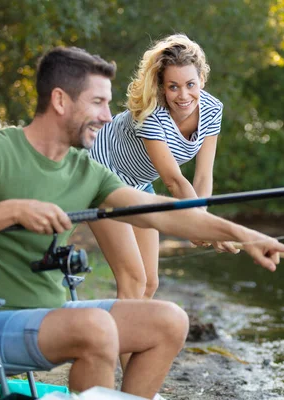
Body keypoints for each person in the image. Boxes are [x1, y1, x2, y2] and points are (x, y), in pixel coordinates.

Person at [0, 46, 284, 399]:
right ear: (60, 100)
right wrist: (14, 210)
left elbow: (157, 208)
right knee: (96, 327)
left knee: (169, 320)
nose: (107, 115)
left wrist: (243, 235)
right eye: (98, 102)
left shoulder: (85, 170)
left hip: (50, 316)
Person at [89, 34, 233, 304]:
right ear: (161, 87)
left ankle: (131, 346)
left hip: (139, 184)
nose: (183, 95)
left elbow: (203, 175)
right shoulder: (150, 113)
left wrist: (202, 221)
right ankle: (111, 344)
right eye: (173, 86)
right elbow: (173, 180)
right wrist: (203, 226)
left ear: (202, 80)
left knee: (149, 284)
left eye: (190, 84)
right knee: (134, 280)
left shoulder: (212, 110)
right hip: (101, 174)